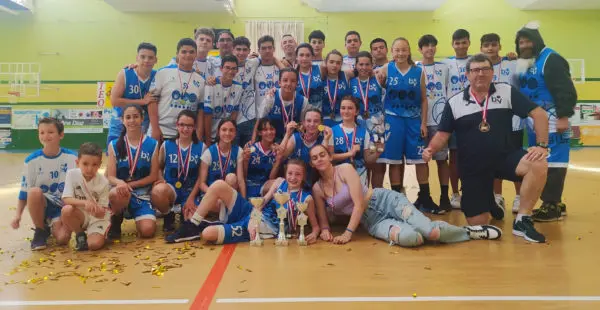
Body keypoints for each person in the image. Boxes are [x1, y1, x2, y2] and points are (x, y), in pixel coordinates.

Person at [424, 53, 550, 243]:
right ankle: (490, 202)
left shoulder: (506, 92)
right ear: (467, 75)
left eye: (485, 69)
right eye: (475, 70)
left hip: (505, 158)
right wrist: (430, 149)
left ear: (492, 73)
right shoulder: (455, 102)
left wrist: (541, 145)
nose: (480, 74)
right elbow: (443, 134)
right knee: (479, 224)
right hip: (473, 167)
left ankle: (523, 220)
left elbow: (539, 114)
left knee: (538, 164)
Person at [310, 145, 502, 246]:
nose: (319, 159)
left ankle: (470, 232)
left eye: (322, 155)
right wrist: (325, 230)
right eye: (314, 157)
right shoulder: (318, 189)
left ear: (330, 157)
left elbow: (359, 205)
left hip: (384, 201)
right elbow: (324, 218)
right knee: (413, 238)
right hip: (373, 222)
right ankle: (430, 229)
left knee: (430, 232)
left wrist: (347, 234)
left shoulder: (344, 169)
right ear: (311, 164)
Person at [516, 22, 578, 222]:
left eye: (527, 41)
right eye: (521, 42)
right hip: (536, 121)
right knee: (540, 161)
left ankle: (553, 205)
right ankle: (552, 202)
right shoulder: (526, 60)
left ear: (537, 41)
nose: (524, 45)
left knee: (555, 161)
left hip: (554, 119)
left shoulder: (551, 59)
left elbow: (565, 89)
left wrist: (563, 115)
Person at [376, 37, 440, 213]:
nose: (401, 53)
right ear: (392, 52)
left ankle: (425, 198)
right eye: (397, 50)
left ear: (409, 51)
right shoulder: (386, 69)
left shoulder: (418, 71)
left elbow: (424, 99)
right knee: (395, 161)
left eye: (404, 50)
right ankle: (396, 198)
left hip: (413, 121)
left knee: (420, 160)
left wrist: (424, 123)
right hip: (392, 120)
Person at [11, 117, 76, 250]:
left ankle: (53, 225)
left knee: (63, 239)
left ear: (61, 135)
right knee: (34, 192)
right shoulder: (31, 161)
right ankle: (40, 230)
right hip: (43, 204)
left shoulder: (73, 158)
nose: (46, 136)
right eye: (42, 132)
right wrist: (18, 215)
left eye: (50, 132)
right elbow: (24, 192)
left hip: (64, 206)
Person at [481, 33, 522, 214]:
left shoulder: (511, 64)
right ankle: (497, 196)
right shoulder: (480, 67)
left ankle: (519, 197)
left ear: (499, 45)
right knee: (494, 159)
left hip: (513, 121)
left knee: (516, 159)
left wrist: (518, 57)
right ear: (481, 48)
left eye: (493, 44)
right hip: (490, 122)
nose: (490, 48)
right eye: (486, 45)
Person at [107, 104, 162, 239]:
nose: (132, 121)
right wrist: (120, 183)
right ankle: (116, 219)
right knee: (115, 192)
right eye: (128, 117)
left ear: (142, 118)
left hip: (141, 194)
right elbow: (110, 176)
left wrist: (130, 185)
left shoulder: (152, 144)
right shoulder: (114, 145)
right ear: (122, 120)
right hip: (121, 192)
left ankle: (141, 215)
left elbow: (153, 176)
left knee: (148, 231)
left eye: (136, 117)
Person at [151, 110, 206, 232]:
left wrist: (191, 198)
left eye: (189, 126)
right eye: (182, 125)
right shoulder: (167, 145)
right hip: (172, 189)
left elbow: (201, 178)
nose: (185, 129)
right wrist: (161, 180)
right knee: (158, 191)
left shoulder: (201, 147)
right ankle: (168, 214)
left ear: (194, 127)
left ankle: (183, 212)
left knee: (192, 223)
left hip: (190, 191)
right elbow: (158, 167)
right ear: (177, 125)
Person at [417, 34, 452, 211]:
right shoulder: (415, 67)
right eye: (426, 46)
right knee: (421, 160)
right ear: (420, 49)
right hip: (420, 121)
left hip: (439, 122)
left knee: (441, 159)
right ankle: (424, 195)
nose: (430, 49)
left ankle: (445, 196)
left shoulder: (444, 67)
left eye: (433, 45)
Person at [148, 38, 205, 141]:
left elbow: (200, 110)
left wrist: (199, 133)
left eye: (191, 52)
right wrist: (155, 129)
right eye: (184, 52)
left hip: (187, 134)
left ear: (196, 55)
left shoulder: (201, 80)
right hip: (162, 132)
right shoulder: (163, 72)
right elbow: (152, 101)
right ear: (177, 54)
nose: (188, 55)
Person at [250, 160, 320, 242]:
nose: (293, 178)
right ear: (285, 174)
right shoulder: (279, 182)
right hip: (263, 217)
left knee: (244, 230)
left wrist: (314, 234)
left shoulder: (307, 199)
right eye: (290, 173)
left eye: (298, 174)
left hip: (277, 229)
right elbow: (263, 201)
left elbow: (315, 227)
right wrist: (252, 219)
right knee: (245, 223)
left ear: (303, 177)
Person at [60, 142, 111, 251]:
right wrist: (85, 203)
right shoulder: (71, 174)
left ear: (100, 165)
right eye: (85, 164)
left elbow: (103, 212)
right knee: (66, 210)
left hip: (97, 219)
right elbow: (66, 198)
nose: (89, 169)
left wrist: (95, 210)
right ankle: (80, 235)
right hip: (81, 214)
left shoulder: (104, 183)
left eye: (94, 165)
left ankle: (99, 233)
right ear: (77, 162)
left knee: (93, 245)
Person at [441, 29, 471, 210]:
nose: (460, 46)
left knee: (473, 156)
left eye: (463, 42)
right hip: (453, 114)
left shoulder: (477, 60)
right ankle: (455, 193)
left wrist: (511, 57)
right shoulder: (445, 63)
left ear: (469, 43)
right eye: (457, 43)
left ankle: (470, 190)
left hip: (473, 115)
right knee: (454, 156)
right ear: (452, 44)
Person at [108, 43, 158, 147]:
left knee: (140, 157)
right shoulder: (125, 73)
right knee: (116, 153)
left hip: (143, 124)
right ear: (137, 58)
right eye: (143, 57)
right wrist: (142, 102)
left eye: (150, 57)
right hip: (120, 122)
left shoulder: (158, 76)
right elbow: (114, 100)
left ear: (155, 60)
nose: (146, 60)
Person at [330, 96, 384, 187]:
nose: (346, 111)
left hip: (360, 175)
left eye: (350, 108)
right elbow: (330, 157)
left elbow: (367, 159)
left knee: (360, 201)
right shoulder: (332, 131)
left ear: (357, 111)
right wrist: (349, 154)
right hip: (339, 175)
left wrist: (378, 152)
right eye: (343, 108)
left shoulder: (364, 132)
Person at [351, 51, 386, 188]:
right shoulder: (351, 81)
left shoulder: (379, 78)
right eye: (361, 64)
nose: (364, 67)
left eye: (367, 64)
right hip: (358, 125)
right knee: (361, 160)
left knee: (377, 160)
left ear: (372, 65)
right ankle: (362, 195)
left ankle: (377, 196)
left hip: (377, 126)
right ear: (356, 65)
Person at [240, 35, 280, 147]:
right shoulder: (253, 67)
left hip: (278, 116)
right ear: (259, 50)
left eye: (270, 47)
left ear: (274, 49)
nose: (267, 51)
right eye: (263, 48)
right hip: (258, 118)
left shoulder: (280, 67)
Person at [281, 108, 333, 188]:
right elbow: (281, 156)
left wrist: (326, 139)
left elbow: (324, 164)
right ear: (303, 123)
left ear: (321, 124)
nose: (312, 124)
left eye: (316, 121)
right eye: (308, 121)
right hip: (296, 181)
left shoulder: (326, 137)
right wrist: (287, 134)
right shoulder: (296, 137)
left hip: (317, 182)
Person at [254, 68, 310, 142]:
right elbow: (260, 121)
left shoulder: (303, 101)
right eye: (285, 80)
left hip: (293, 139)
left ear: (297, 83)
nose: (289, 83)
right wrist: (253, 141)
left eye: (293, 81)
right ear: (279, 83)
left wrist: (299, 127)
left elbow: (304, 124)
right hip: (272, 139)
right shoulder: (271, 97)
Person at [199, 119, 245, 197]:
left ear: (235, 133)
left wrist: (244, 202)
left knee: (231, 178)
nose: (227, 133)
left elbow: (240, 180)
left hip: (229, 192)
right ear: (218, 132)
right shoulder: (208, 153)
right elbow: (201, 183)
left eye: (231, 130)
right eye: (224, 130)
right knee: (219, 204)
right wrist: (214, 194)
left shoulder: (239, 151)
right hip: (212, 192)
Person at [203, 54, 243, 144]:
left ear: (237, 70)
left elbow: (234, 114)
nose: (230, 71)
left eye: (233, 68)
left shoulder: (238, 87)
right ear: (221, 69)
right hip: (210, 135)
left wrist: (230, 137)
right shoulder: (211, 84)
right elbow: (207, 115)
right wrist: (208, 140)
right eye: (227, 68)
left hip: (226, 136)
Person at [244, 118, 284, 198]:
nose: (269, 132)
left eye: (272, 129)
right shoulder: (251, 148)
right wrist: (245, 160)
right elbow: (244, 175)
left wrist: (278, 159)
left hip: (266, 188)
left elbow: (271, 178)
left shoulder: (276, 151)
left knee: (281, 182)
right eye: (265, 130)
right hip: (250, 186)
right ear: (259, 133)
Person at [322, 50, 353, 127]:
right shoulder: (320, 77)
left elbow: (363, 71)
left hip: (343, 120)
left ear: (341, 65)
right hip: (323, 120)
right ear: (326, 63)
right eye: (331, 62)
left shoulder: (347, 75)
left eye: (338, 63)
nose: (334, 65)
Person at [295, 43, 324, 110]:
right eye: (301, 55)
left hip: (318, 114)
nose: (304, 58)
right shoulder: (293, 73)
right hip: (300, 114)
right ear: (296, 57)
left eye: (308, 55)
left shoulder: (320, 69)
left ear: (312, 57)